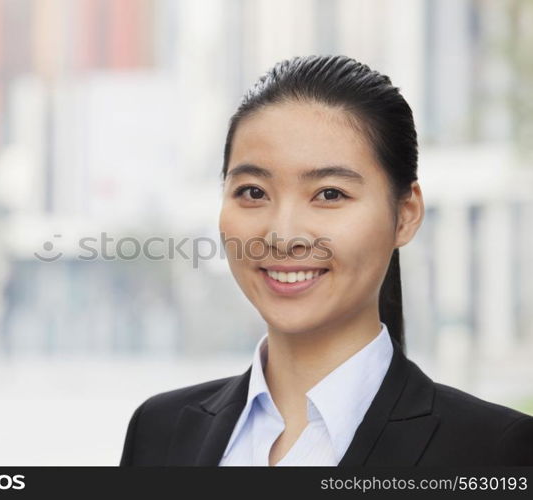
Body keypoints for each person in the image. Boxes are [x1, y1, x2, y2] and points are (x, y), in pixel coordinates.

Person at [118, 55, 533, 466]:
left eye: (330, 194)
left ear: (405, 215)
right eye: (253, 192)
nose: (283, 236)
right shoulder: (159, 431)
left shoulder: (494, 452)